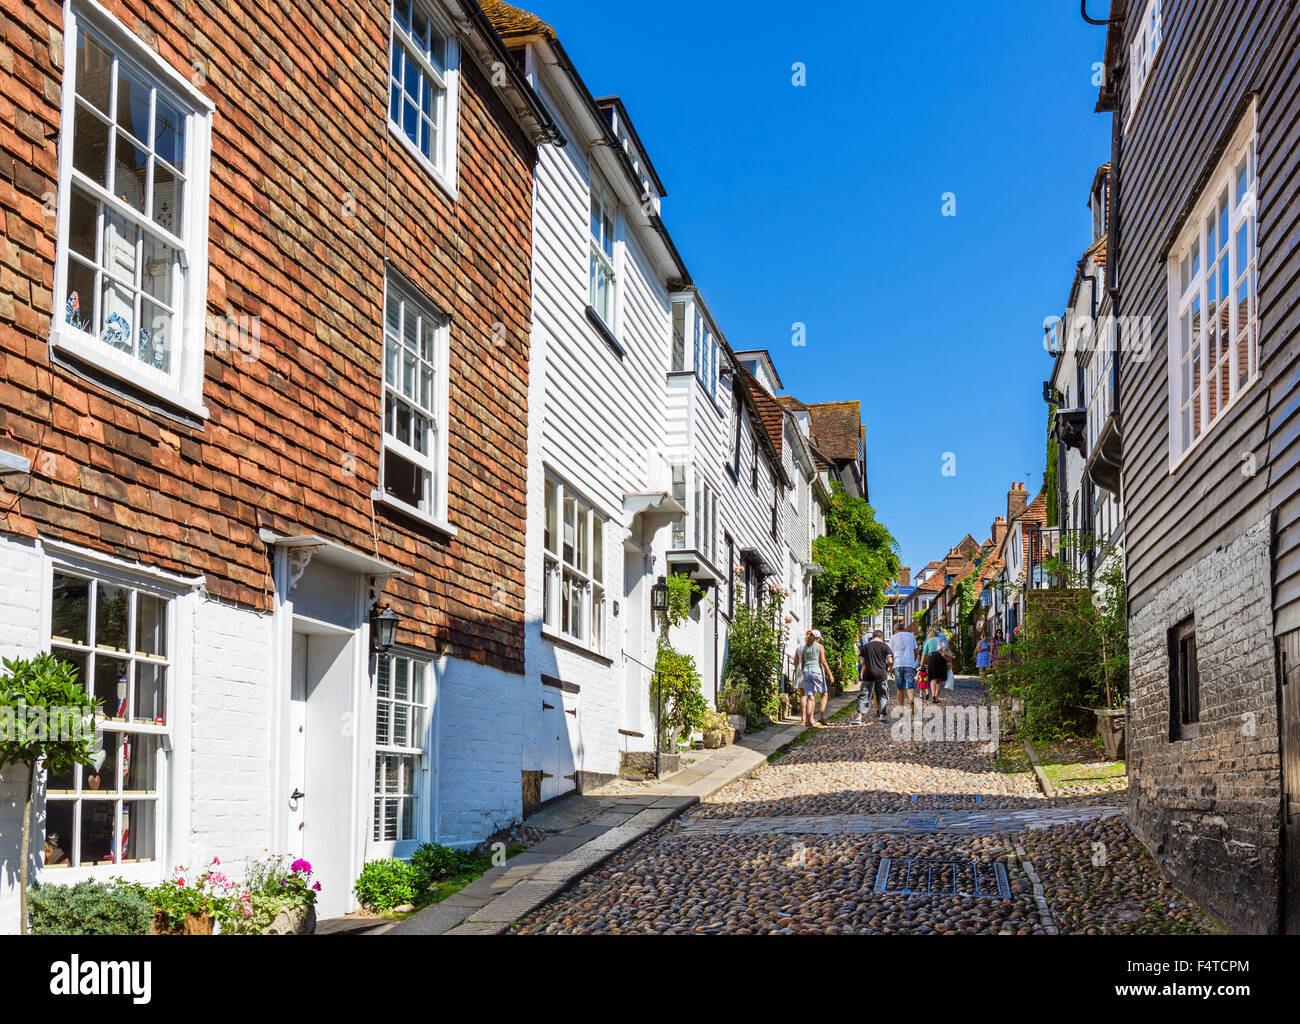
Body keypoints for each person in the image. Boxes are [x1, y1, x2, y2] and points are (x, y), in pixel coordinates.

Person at [795, 628, 834, 726]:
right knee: (824, 694)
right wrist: (830, 674)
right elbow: (823, 661)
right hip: (816, 671)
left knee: (810, 696)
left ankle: (808, 721)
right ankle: (821, 716)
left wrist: (804, 671)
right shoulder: (820, 646)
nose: (820, 640)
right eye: (819, 638)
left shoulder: (805, 647)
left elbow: (802, 661)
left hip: (806, 672)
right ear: (817, 638)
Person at [853, 629, 893, 724]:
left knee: (864, 694)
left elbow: (862, 661)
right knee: (882, 695)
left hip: (868, 673)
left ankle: (859, 717)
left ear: (872, 637)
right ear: (881, 637)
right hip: (881, 674)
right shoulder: (885, 646)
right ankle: (882, 716)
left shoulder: (866, 647)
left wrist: (865, 668)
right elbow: (890, 660)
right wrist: (887, 668)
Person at [888, 623, 918, 708]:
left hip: (897, 664)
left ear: (895, 630)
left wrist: (890, 666)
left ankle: (901, 708)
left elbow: (890, 654)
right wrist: (913, 660)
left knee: (899, 687)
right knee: (910, 686)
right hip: (909, 664)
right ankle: (912, 704)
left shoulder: (893, 637)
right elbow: (916, 651)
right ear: (903, 629)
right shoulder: (911, 636)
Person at [920, 627, 950, 704]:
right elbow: (946, 653)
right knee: (939, 678)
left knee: (933, 678)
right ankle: (936, 696)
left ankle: (933, 694)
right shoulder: (941, 640)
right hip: (941, 657)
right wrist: (949, 662)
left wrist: (922, 663)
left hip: (931, 657)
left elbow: (924, 654)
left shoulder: (929, 641)